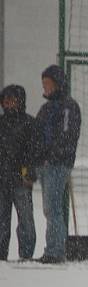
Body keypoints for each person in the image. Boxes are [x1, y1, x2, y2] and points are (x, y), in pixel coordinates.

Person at [35, 65, 81, 264]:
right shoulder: (46, 109)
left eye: (48, 83)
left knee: (52, 207)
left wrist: (52, 155)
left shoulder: (68, 106)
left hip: (57, 164)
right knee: (49, 208)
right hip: (45, 164)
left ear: (57, 84)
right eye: (43, 84)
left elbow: (67, 136)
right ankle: (53, 248)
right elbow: (36, 135)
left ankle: (55, 250)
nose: (44, 87)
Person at [0, 85, 40, 261]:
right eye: (5, 100)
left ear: (20, 101)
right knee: (2, 220)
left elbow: (33, 152)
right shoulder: (1, 123)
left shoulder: (29, 123)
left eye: (11, 99)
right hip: (2, 179)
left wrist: (29, 173)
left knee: (25, 220)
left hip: (21, 180)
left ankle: (26, 254)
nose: (7, 103)